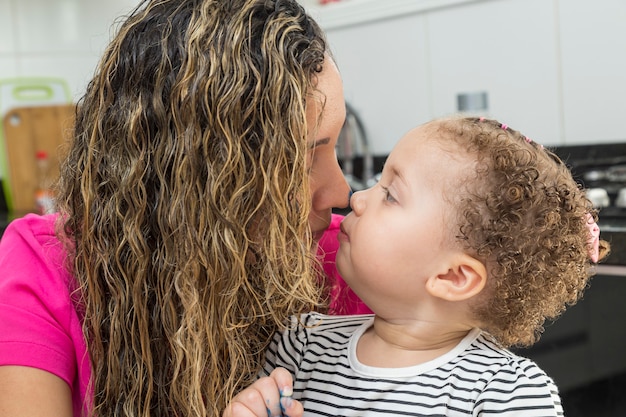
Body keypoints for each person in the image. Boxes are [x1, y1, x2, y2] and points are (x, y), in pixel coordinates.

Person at [0, 0, 369, 415]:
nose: (343, 194)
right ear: (198, 184)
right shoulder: (46, 265)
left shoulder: (360, 262)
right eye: (300, 162)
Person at [225, 115, 610, 417]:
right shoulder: (301, 345)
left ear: (452, 277)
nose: (357, 198)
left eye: (389, 194)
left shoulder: (505, 393)